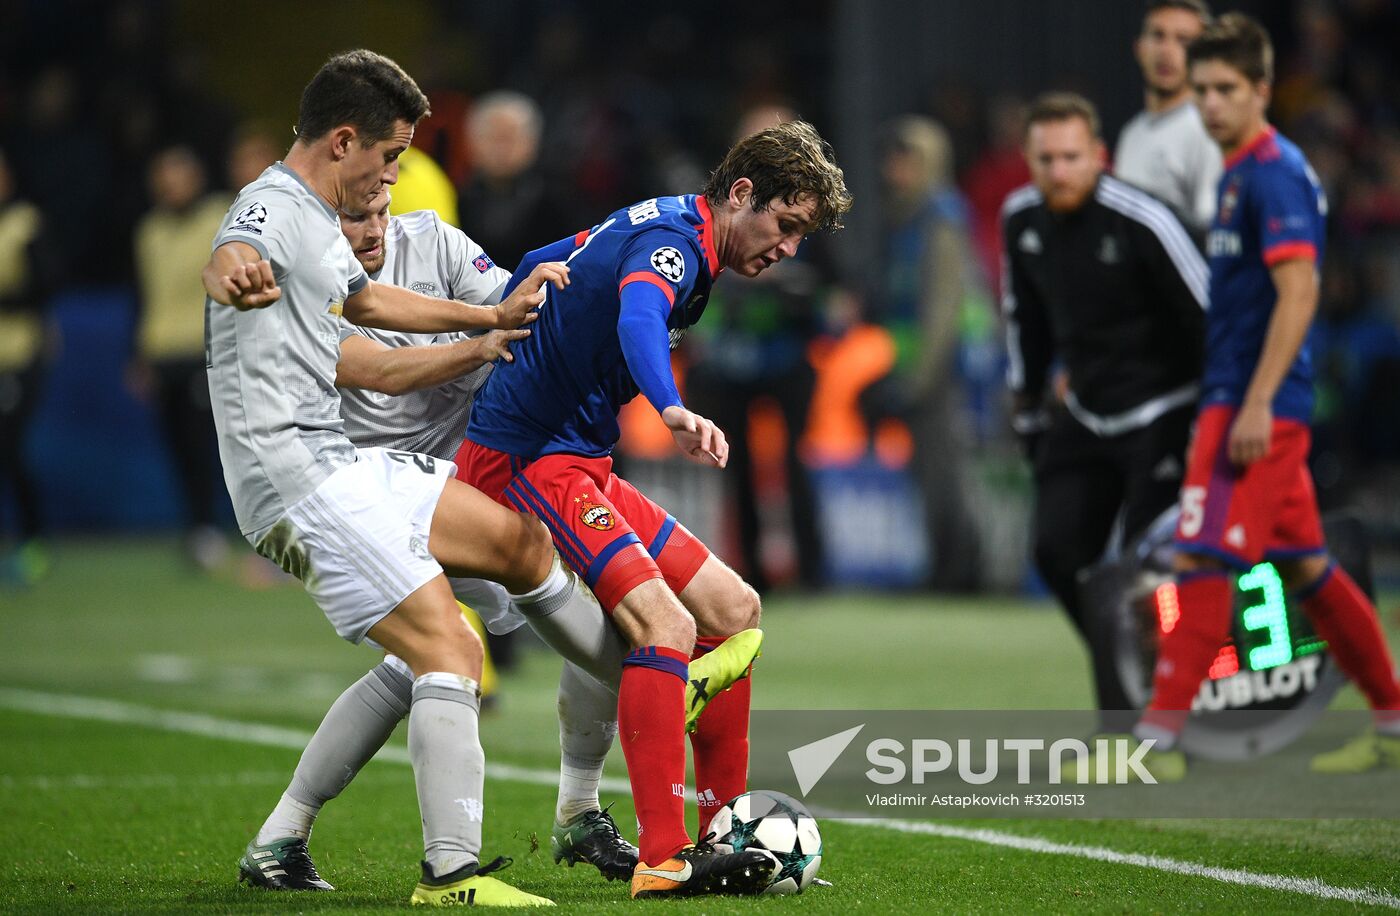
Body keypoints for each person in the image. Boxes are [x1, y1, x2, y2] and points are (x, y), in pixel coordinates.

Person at [202, 49, 625, 907]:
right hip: (301, 481)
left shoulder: (330, 225)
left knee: (521, 544)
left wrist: (494, 315)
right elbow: (235, 253)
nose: (396, 175)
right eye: (391, 155)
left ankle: (280, 841)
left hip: (358, 467)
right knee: (450, 648)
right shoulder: (271, 211)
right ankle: (452, 877)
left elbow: (365, 303)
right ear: (346, 140)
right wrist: (231, 271)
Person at [244, 188, 713, 891]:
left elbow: (531, 307)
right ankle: (460, 864)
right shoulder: (301, 284)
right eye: (350, 220)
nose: (369, 231)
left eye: (378, 210)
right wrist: (484, 335)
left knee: (436, 660)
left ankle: (286, 834)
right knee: (459, 647)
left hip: (461, 487)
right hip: (356, 497)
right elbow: (374, 366)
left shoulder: (434, 243)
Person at [456, 120, 851, 898]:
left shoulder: (664, 220)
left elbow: (546, 261)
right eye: (787, 225)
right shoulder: (675, 245)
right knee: (665, 629)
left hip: (579, 460)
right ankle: (664, 859)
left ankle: (721, 829)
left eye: (803, 235)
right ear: (742, 194)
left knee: (735, 608)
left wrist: (510, 320)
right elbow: (640, 314)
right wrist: (669, 407)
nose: (789, 249)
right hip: (530, 460)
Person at [1111, 14, 1400, 780]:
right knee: (1308, 569)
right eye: (1201, 89)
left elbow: (1299, 292)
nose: (1209, 104)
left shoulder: (1272, 173)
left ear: (1262, 89)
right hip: (1242, 399)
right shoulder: (1241, 170)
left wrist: (1257, 402)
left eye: (1226, 89)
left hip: (1250, 407)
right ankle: (1393, 721)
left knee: (1202, 560)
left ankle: (1157, 745)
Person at [1001, 92, 1208, 721]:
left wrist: (1219, 417)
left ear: (1100, 156)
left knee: (1148, 567)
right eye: (1046, 159)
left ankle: (1163, 709)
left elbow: (1211, 318)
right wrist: (1029, 409)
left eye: (1071, 157)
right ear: (1029, 160)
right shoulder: (1022, 219)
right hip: (1087, 410)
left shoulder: (1143, 220)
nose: (1059, 171)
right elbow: (1023, 321)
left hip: (1167, 410)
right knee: (1057, 552)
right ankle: (1136, 674)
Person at [869, 114, 984, 591]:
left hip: (946, 370)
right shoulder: (909, 216)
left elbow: (942, 306)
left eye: (907, 159)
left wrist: (920, 377)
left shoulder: (940, 217)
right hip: (921, 366)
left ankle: (961, 573)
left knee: (946, 475)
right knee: (930, 473)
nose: (895, 169)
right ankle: (946, 566)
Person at [131, 144, 232, 570]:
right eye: (163, 177)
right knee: (178, 449)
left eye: (178, 175)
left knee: (211, 447)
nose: (170, 185)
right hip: (162, 352)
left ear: (196, 177)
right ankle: (199, 530)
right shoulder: (149, 230)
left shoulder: (221, 217)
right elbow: (143, 297)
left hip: (203, 351)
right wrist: (138, 353)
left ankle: (226, 531)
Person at [1115, 0, 1223, 240]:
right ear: (1139, 47)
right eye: (1158, 36)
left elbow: (1211, 235)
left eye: (1183, 40)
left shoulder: (1208, 130)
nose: (1166, 51)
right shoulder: (1131, 133)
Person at [0, 145, 52, 587]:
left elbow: (43, 286)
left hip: (17, 353)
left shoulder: (23, 223)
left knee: (12, 448)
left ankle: (32, 542)